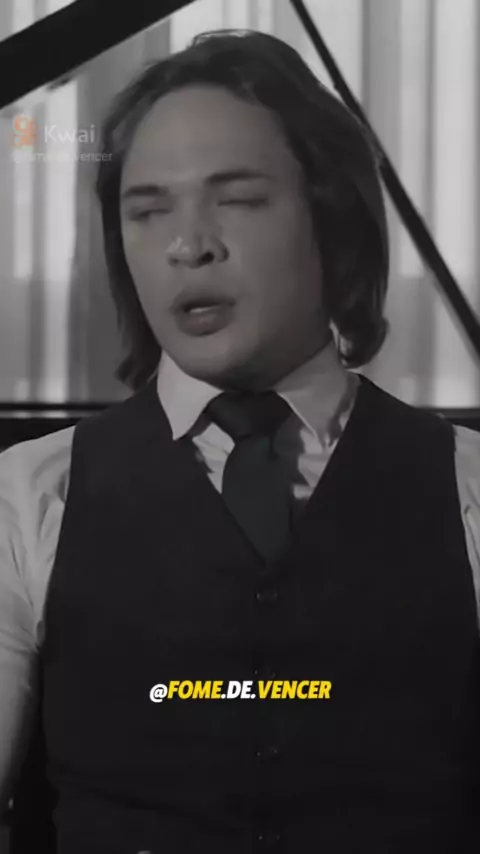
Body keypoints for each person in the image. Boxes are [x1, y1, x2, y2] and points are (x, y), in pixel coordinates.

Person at [1, 27, 480, 854]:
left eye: (239, 200)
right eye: (148, 210)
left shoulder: (469, 489)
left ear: (332, 220)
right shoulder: (25, 495)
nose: (189, 245)